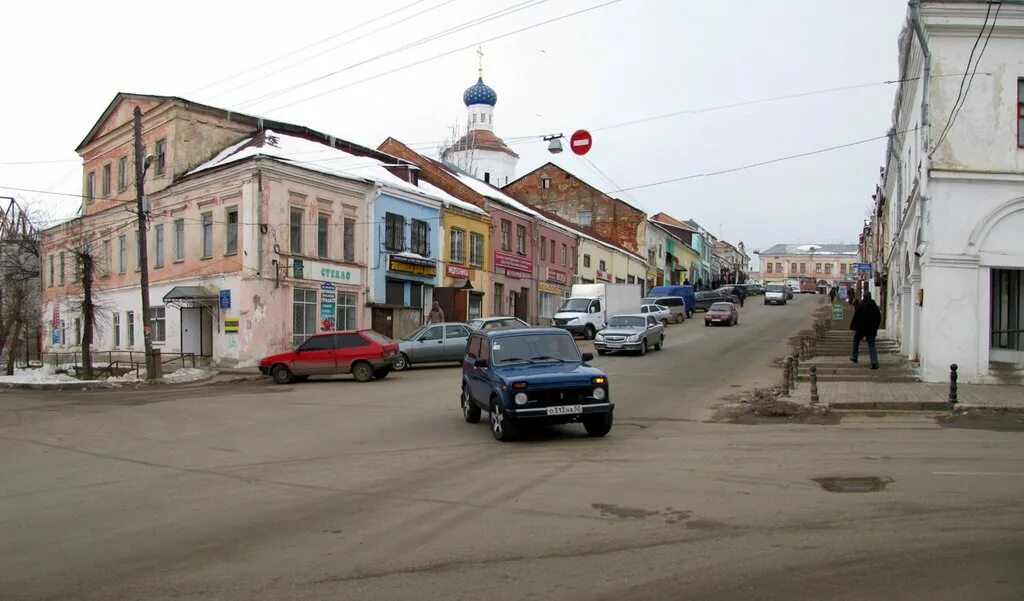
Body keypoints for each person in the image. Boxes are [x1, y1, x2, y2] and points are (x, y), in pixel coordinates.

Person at [849, 291, 882, 369]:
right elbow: (878, 318)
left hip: (861, 329)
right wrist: (876, 327)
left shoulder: (861, 305)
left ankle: (854, 357)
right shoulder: (874, 306)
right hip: (871, 330)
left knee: (856, 341)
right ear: (870, 297)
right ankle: (874, 362)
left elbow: (856, 317)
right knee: (872, 346)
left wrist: (853, 326)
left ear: (864, 296)